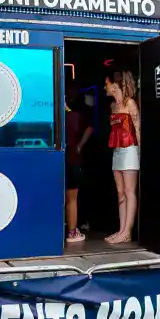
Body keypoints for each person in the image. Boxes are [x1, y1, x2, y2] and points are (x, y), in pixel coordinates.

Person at [105, 70, 141, 245]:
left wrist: (140, 153)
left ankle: (127, 232)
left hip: (130, 150)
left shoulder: (130, 103)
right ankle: (121, 230)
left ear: (114, 86)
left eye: (106, 83)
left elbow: (138, 129)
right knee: (120, 191)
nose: (104, 87)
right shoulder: (113, 106)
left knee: (129, 190)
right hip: (117, 150)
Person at [64, 89, 93, 244]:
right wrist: (80, 145)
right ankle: (72, 232)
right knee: (72, 198)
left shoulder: (51, 117)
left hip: (57, 159)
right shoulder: (75, 117)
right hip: (72, 159)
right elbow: (90, 128)